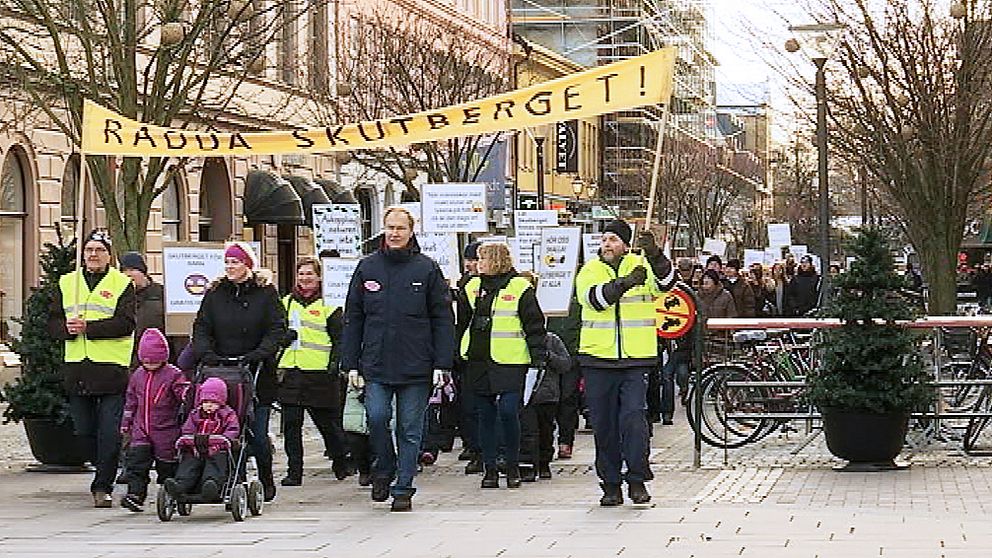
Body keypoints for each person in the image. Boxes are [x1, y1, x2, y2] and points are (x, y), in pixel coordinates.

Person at [341, 206, 455, 512]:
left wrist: (442, 364)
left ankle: (403, 486)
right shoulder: (367, 268)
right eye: (390, 227)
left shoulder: (427, 269)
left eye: (400, 228)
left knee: (409, 428)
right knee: (376, 418)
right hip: (376, 363)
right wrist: (349, 362)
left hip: (417, 364)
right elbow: (353, 317)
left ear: (411, 231)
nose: (394, 233)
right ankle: (385, 467)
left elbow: (443, 319)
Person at [575, 221, 675, 507]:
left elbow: (667, 284)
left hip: (635, 359)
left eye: (614, 239)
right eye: (605, 239)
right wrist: (625, 283)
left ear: (626, 244)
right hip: (598, 358)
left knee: (634, 420)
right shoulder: (589, 270)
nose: (607, 244)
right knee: (604, 425)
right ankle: (610, 484)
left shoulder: (642, 263)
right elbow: (594, 300)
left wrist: (655, 254)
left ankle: (637, 478)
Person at [191, 241, 287, 502]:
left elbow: (277, 329)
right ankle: (236, 478)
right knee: (226, 429)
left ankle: (265, 477)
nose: (231, 267)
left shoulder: (265, 294)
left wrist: (260, 353)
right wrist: (206, 353)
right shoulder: (215, 294)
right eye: (228, 262)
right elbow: (201, 327)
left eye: (236, 262)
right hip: (220, 371)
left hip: (255, 371)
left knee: (255, 431)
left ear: (248, 265)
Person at [47, 229, 135, 508]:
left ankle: (103, 485)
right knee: (84, 430)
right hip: (79, 368)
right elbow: (51, 322)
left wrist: (90, 328)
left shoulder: (121, 283)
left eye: (99, 250)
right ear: (82, 254)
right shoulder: (67, 282)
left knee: (109, 432)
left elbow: (125, 323)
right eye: (89, 250)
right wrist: (66, 329)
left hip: (110, 369)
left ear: (109, 255)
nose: (93, 255)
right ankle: (103, 464)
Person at [459, 243, 546, 489]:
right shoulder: (471, 287)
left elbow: (534, 326)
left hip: (510, 361)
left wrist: (538, 357)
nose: (478, 263)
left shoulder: (520, 287)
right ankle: (490, 468)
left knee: (509, 412)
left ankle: (511, 465)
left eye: (482, 258)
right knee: (484, 416)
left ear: (495, 260)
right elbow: (461, 323)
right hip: (478, 359)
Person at [277, 258, 350, 487]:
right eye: (301, 274)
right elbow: (274, 334)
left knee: (327, 425)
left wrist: (335, 365)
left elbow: (340, 340)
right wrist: (283, 338)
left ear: (319, 277)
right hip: (292, 372)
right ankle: (294, 471)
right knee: (291, 425)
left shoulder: (329, 305)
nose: (305, 278)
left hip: (320, 374)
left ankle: (340, 460)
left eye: (309, 274)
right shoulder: (286, 303)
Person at [119, 328, 189, 512]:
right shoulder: (138, 376)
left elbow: (182, 392)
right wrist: (126, 422)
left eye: (154, 361)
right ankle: (135, 494)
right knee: (136, 463)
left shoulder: (173, 374)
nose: (150, 365)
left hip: (166, 429)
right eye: (146, 362)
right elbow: (131, 401)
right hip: (141, 428)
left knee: (167, 465)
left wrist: (188, 395)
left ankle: (172, 493)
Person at [164, 378, 240, 502]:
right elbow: (188, 429)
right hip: (196, 448)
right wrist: (189, 441)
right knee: (189, 464)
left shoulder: (227, 414)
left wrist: (224, 440)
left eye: (214, 402)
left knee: (215, 464)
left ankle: (212, 486)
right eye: (206, 402)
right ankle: (181, 486)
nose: (209, 405)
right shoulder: (195, 414)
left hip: (217, 448)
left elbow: (232, 430)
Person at [519, 330, 571, 481]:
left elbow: (565, 364)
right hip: (525, 394)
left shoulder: (552, 340)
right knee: (527, 431)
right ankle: (527, 464)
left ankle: (543, 463)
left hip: (547, 395)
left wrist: (549, 356)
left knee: (546, 431)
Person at [455, 241, 483, 471]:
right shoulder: (465, 284)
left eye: (475, 259)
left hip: (472, 353)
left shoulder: (472, 286)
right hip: (468, 352)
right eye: (468, 259)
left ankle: (476, 449)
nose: (470, 264)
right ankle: (475, 447)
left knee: (473, 406)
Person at [118, 252, 166, 365]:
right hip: (126, 361)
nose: (128, 274)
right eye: (124, 271)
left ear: (144, 272)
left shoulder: (162, 294)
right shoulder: (118, 297)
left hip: (156, 362)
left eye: (133, 269)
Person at [549, 296, 581, 460]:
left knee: (567, 399)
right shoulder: (547, 297)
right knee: (548, 402)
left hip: (571, 356)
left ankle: (565, 441)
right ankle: (546, 444)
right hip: (549, 356)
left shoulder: (578, 302)